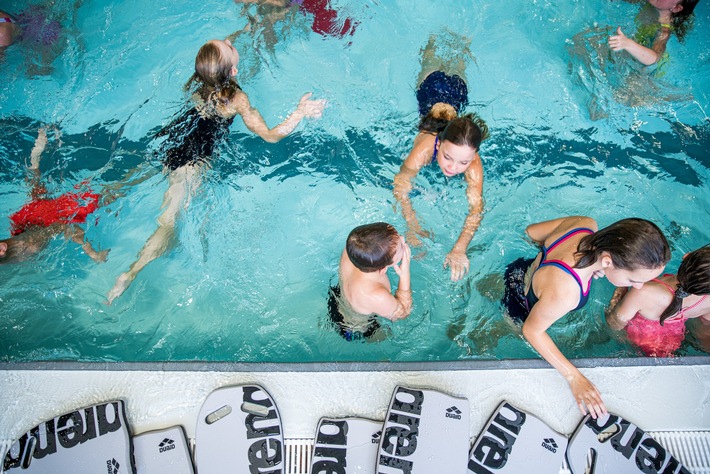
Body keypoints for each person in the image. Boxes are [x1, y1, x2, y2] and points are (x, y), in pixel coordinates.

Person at [106, 37, 325, 304]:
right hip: (192, 163)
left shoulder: (199, 81)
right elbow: (270, 135)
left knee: (123, 186)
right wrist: (300, 112)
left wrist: (239, 37)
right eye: (228, 45)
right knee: (169, 223)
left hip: (171, 143)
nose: (229, 40)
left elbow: (218, 58)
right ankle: (132, 271)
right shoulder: (236, 99)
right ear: (231, 72)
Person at [503, 216, 671, 418]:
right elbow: (531, 331)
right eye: (633, 280)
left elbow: (531, 233)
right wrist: (574, 377)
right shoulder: (566, 293)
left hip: (520, 269)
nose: (639, 287)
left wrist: (584, 268)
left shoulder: (585, 225)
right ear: (608, 261)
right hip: (520, 308)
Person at [393, 34, 488, 282]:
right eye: (447, 157)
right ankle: (432, 41)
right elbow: (400, 185)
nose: (454, 167)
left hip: (459, 93)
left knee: (459, 63)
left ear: (474, 155)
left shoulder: (474, 165)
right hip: (429, 88)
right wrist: (412, 224)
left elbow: (476, 210)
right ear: (440, 142)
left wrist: (459, 248)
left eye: (463, 162)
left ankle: (462, 42)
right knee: (431, 58)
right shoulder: (425, 148)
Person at [1, 128, 108, 264]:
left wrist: (92, 253)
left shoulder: (27, 247)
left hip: (45, 219)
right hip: (28, 220)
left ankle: (36, 157)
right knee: (35, 187)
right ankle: (36, 156)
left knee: (104, 196)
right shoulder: (20, 243)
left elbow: (63, 227)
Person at [606, 245, 710, 357]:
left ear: (686, 256)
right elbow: (704, 330)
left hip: (640, 341)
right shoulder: (707, 300)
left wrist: (621, 289)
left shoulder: (644, 292)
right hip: (676, 340)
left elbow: (615, 323)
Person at [328, 222, 412, 341]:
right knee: (384, 338)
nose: (403, 239)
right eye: (400, 248)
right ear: (383, 269)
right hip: (356, 327)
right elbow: (403, 313)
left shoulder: (354, 249)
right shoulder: (376, 295)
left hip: (338, 297)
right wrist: (404, 275)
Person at [608, 0, 700, 66]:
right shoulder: (649, 3)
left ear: (676, 8)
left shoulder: (663, 31)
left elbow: (654, 58)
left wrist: (627, 44)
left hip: (650, 68)